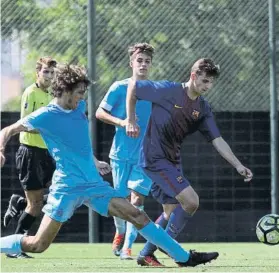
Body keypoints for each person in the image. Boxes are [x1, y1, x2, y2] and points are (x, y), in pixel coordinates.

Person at [0, 63, 219, 268]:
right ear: (65, 90)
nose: (82, 98)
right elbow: (7, 131)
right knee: (38, 245)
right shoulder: (46, 115)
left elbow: (77, 142)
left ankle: (184, 258)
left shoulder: (79, 106)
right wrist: (1, 149)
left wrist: (94, 161)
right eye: (78, 93)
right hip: (67, 188)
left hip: (94, 185)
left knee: (138, 215)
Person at [125, 58, 253, 266]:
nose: (207, 86)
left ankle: (147, 254)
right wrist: (130, 119)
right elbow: (134, 85)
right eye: (204, 81)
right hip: (154, 158)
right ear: (193, 76)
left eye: (210, 82)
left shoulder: (202, 108)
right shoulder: (167, 90)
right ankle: (175, 251)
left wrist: (238, 165)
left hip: (172, 161)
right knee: (191, 201)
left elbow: (217, 140)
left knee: (172, 211)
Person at [96, 43, 154, 260]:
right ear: (132, 63)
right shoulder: (119, 88)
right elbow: (99, 113)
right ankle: (120, 232)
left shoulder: (154, 90)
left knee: (137, 200)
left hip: (145, 156)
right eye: (140, 60)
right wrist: (122, 122)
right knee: (120, 200)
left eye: (147, 61)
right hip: (120, 154)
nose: (143, 64)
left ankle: (128, 248)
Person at [3, 56, 57, 259]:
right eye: (46, 72)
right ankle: (15, 246)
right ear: (38, 73)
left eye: (52, 72)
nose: (49, 76)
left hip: (48, 153)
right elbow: (24, 123)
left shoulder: (53, 94)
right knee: (35, 205)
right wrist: (48, 129)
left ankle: (17, 203)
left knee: (59, 192)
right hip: (30, 152)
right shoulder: (30, 93)